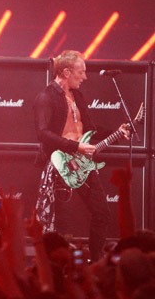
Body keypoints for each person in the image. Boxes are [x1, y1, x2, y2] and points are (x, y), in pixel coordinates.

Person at [34, 50, 129, 261]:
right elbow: (43, 133)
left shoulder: (77, 96)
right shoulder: (46, 97)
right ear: (66, 72)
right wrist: (75, 146)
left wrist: (116, 132)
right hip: (60, 165)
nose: (85, 77)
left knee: (102, 212)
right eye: (81, 72)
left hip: (83, 164)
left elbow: (90, 129)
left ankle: (96, 261)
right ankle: (55, 266)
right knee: (60, 222)